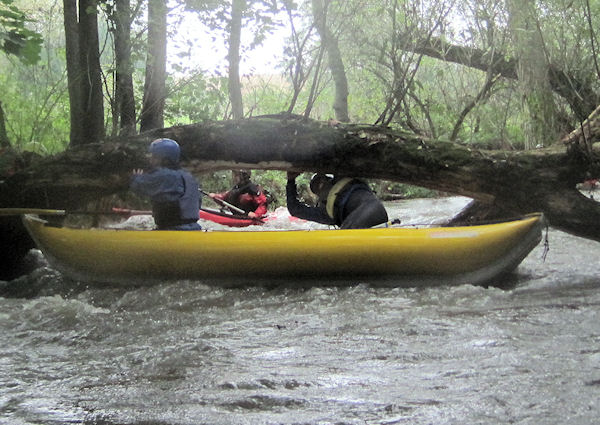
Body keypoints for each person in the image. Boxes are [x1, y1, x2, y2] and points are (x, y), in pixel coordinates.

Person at [130, 138, 202, 230]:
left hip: (172, 230)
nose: (151, 160)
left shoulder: (163, 175)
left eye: (154, 157)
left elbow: (138, 186)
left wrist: (135, 177)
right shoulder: (189, 176)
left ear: (163, 158)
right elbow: (198, 203)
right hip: (195, 228)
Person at [286, 171, 388, 229]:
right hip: (375, 214)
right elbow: (294, 209)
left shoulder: (343, 174)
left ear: (329, 180)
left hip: (374, 210)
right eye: (315, 187)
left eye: (321, 181)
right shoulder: (325, 212)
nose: (320, 185)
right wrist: (290, 181)